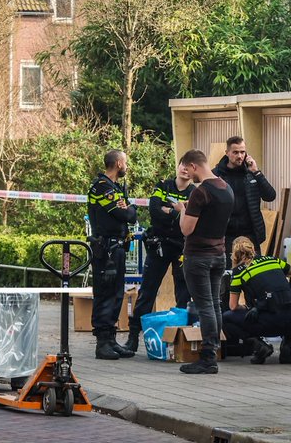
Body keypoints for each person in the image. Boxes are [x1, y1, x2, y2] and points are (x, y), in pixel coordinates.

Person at [125, 162, 193, 354]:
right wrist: (178, 212)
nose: (185, 170)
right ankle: (133, 336)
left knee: (183, 293)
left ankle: (180, 340)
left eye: (189, 167)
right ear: (178, 167)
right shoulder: (163, 186)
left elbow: (192, 219)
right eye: (183, 165)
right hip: (159, 245)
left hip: (181, 247)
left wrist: (169, 210)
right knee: (147, 291)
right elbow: (154, 212)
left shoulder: (194, 192)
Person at [177, 149, 234, 375]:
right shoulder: (226, 188)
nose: (187, 174)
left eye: (187, 169)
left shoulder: (200, 192)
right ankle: (213, 351)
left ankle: (208, 357)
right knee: (214, 305)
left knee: (205, 307)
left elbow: (186, 229)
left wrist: (182, 210)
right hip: (219, 255)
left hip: (198, 256)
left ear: (193, 166)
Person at [222, 236, 291, 365]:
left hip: (269, 323)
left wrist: (246, 307)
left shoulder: (238, 272)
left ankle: (260, 346)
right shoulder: (272, 260)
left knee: (227, 318)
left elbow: (233, 306)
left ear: (234, 254)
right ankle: (287, 345)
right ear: (253, 248)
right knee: (288, 310)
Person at [87, 149, 137, 360]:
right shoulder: (103, 187)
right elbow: (126, 215)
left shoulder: (115, 187)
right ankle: (102, 343)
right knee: (105, 294)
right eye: (125, 162)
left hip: (117, 248)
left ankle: (111, 339)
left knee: (116, 294)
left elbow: (129, 214)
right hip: (105, 249)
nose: (127, 166)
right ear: (118, 164)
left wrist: (129, 209)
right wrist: (130, 209)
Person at [212, 136, 276, 262]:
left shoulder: (251, 173)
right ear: (227, 153)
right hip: (226, 235)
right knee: (228, 272)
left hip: (250, 234)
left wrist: (256, 172)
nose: (240, 156)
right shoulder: (216, 175)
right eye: (235, 152)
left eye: (242, 152)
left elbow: (270, 196)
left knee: (254, 270)